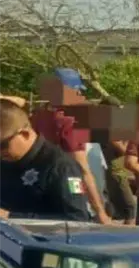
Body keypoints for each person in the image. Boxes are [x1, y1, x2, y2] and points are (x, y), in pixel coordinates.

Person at [29, 70, 111, 224]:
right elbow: (82, 169)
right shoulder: (69, 123)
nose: (80, 94)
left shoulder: (37, 117)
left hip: (38, 192)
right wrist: (100, 212)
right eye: (77, 90)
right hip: (69, 199)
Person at [0, 99, 91, 221]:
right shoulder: (5, 162)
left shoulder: (60, 166)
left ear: (24, 134)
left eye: (2, 145)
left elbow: (77, 219)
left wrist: (11, 217)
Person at [93, 97, 137, 225]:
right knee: (130, 207)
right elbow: (120, 146)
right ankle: (129, 238)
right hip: (114, 169)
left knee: (110, 207)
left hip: (112, 167)